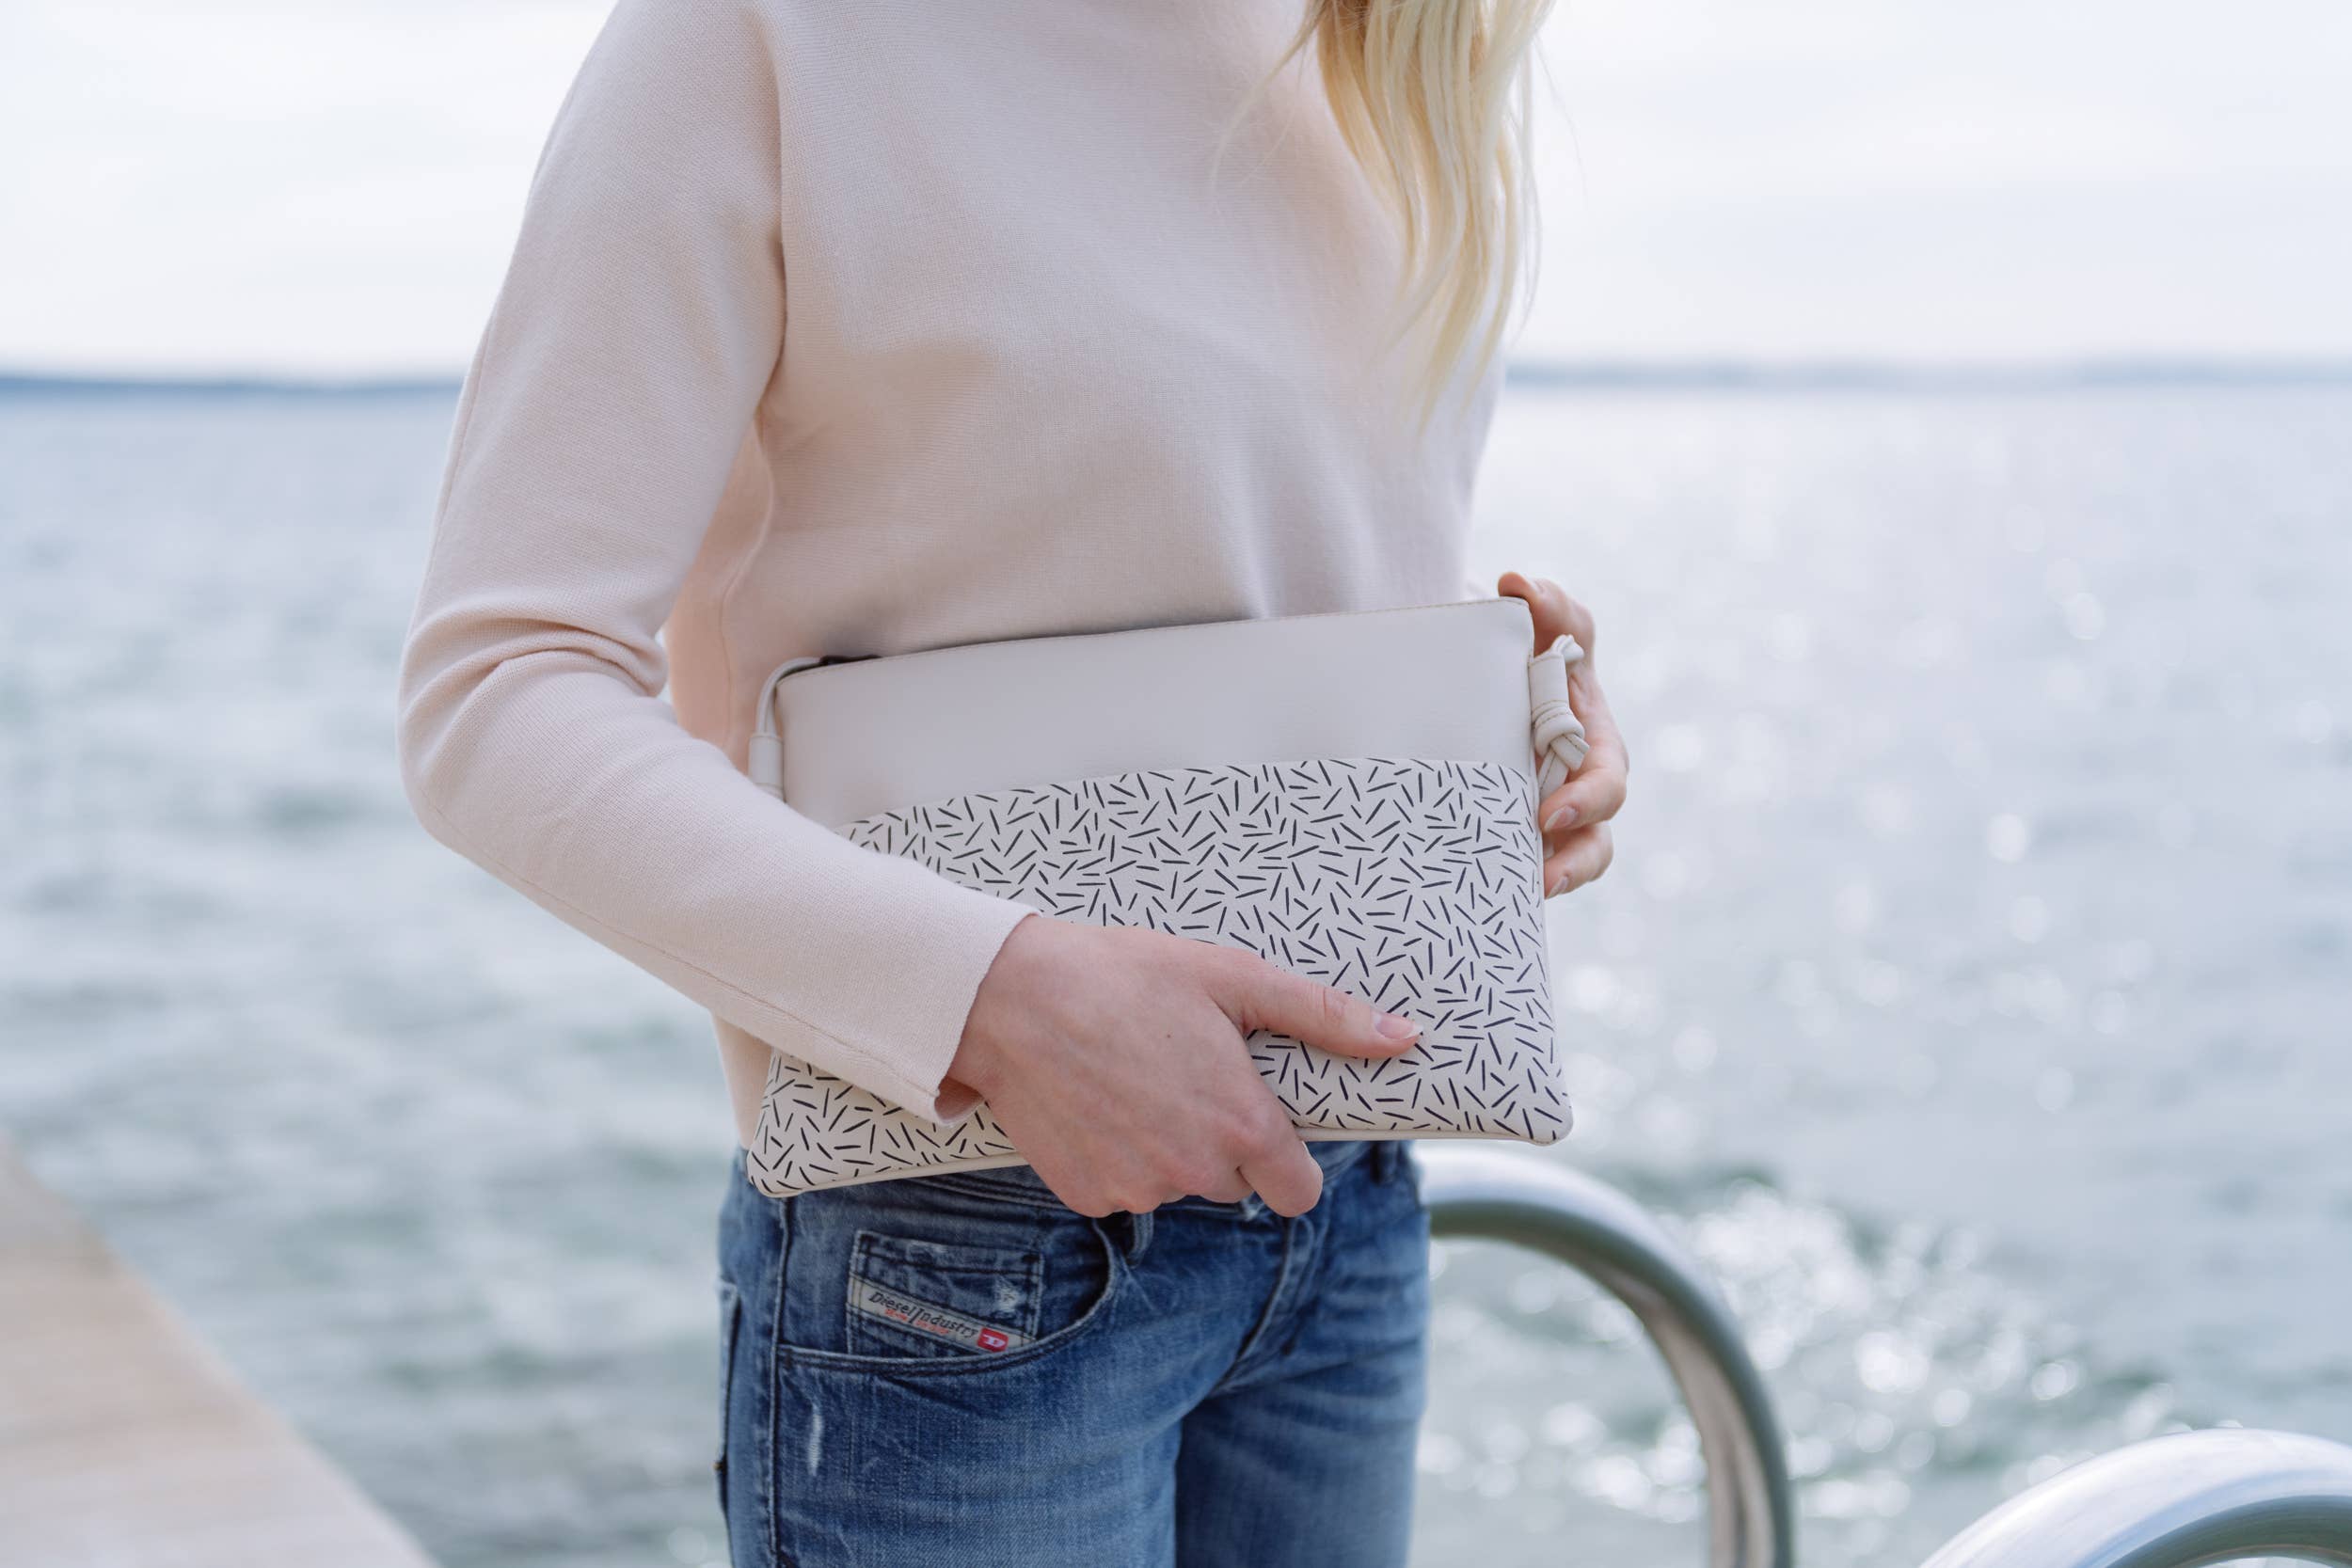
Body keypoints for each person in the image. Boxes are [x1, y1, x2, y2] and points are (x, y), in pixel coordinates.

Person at [393, 0, 1629, 1562]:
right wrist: (991, 993)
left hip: (1349, 1207)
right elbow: (497, 690)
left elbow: (1206, 547)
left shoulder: (1388, 50)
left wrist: (1505, 733)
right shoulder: (769, 35)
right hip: (955, 1251)